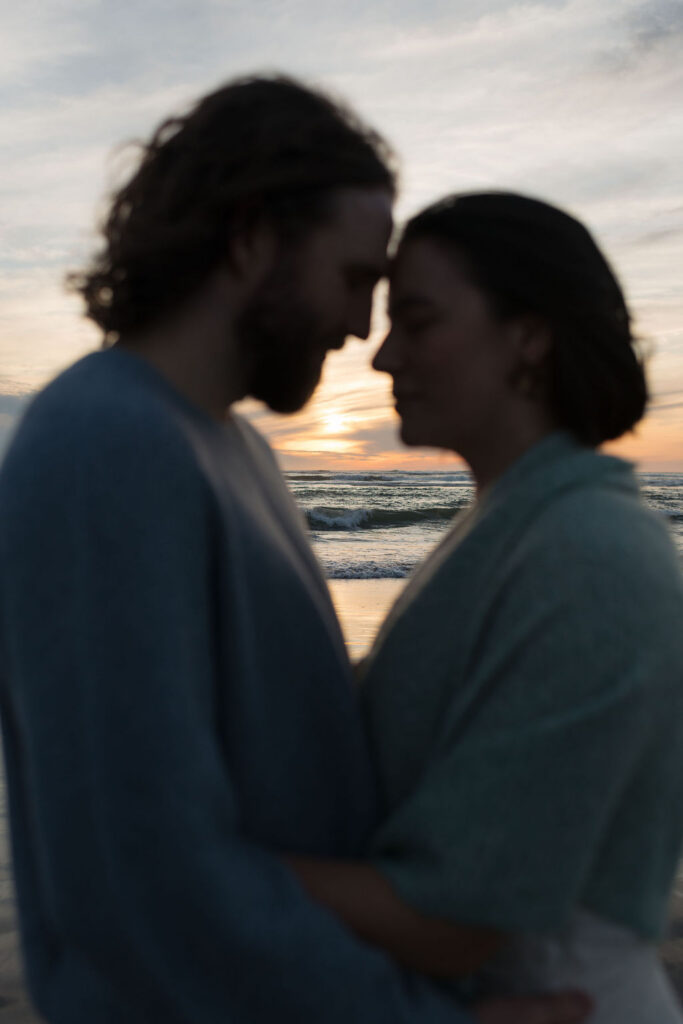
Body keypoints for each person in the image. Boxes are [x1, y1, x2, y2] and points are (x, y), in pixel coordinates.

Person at [0, 82, 590, 1024]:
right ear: (250, 238)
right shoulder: (98, 445)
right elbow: (144, 881)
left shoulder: (240, 454)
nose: (361, 328)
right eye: (355, 278)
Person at [287, 192, 683, 1022]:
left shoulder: (589, 554)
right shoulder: (513, 526)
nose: (384, 356)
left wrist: (193, 861)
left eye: (419, 321)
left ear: (528, 335)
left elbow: (456, 918)